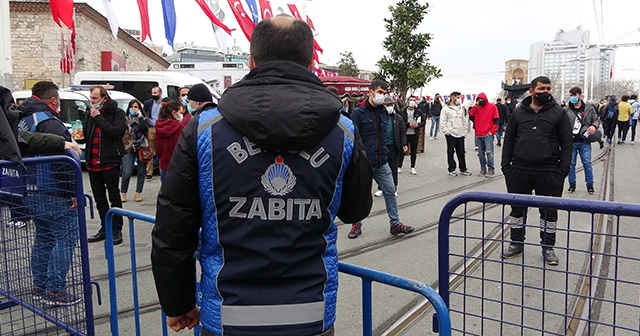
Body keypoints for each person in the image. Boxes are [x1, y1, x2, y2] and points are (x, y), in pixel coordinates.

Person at [151, 15, 373, 336]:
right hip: (309, 316)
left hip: (228, 317)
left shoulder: (204, 130)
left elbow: (174, 228)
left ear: (251, 61)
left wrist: (177, 303)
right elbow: (356, 210)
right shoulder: (342, 130)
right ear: (311, 62)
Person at [16, 81, 82, 305]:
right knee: (65, 237)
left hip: (30, 189)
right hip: (54, 190)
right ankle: (55, 291)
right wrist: (73, 192)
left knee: (43, 237)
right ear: (53, 100)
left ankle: (39, 285)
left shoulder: (23, 120)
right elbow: (62, 163)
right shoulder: (50, 123)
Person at [501, 76, 573, 265]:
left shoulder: (559, 113)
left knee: (549, 213)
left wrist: (562, 171)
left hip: (549, 172)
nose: (546, 92)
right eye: (542, 89)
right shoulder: (518, 113)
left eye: (548, 89)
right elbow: (508, 140)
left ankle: (548, 247)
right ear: (532, 91)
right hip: (519, 170)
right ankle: (516, 243)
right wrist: (506, 167)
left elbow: (567, 143)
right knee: (517, 211)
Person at [348, 80, 415, 239]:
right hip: (364, 163)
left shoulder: (384, 113)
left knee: (390, 191)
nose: (382, 96)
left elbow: (384, 137)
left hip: (381, 162)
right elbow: (352, 138)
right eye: (380, 92)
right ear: (371, 92)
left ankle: (395, 224)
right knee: (360, 195)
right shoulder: (358, 113)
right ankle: (356, 225)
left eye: (385, 93)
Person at [85, 86, 127, 245]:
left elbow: (115, 131)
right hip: (92, 162)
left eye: (95, 98)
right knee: (99, 198)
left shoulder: (117, 112)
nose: (92, 101)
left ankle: (117, 229)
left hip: (110, 162)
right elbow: (86, 132)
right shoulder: (90, 113)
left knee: (114, 197)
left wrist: (98, 118)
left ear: (104, 98)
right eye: (91, 98)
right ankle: (105, 227)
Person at [565, 87, 598, 195]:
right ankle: (572, 184)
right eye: (571, 95)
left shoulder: (589, 108)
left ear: (580, 95)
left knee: (587, 163)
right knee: (571, 164)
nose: (572, 97)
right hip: (571, 141)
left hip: (584, 140)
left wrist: (594, 126)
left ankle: (590, 185)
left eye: (574, 95)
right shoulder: (566, 109)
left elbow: (596, 119)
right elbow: (562, 125)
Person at [374, 94, 408, 197]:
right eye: (386, 105)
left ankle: (393, 188)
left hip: (393, 147)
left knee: (393, 168)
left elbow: (403, 132)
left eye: (390, 104)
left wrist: (404, 144)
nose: (389, 107)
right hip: (381, 147)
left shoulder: (398, 118)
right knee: (381, 169)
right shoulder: (378, 117)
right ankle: (381, 188)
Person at [120, 99, 149, 203]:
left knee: (141, 171)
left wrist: (140, 117)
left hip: (141, 145)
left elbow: (145, 129)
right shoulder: (125, 119)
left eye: (136, 107)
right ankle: (123, 193)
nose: (134, 109)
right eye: (132, 107)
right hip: (129, 146)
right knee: (127, 171)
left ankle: (138, 193)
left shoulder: (143, 118)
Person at [441, 91, 472, 177]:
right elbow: (442, 121)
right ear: (452, 97)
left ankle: (463, 169)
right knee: (451, 151)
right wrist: (447, 132)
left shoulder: (461, 108)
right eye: (457, 97)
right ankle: (451, 169)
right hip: (451, 133)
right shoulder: (445, 108)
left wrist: (465, 131)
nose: (458, 99)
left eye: (459, 97)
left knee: (461, 152)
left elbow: (464, 120)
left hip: (460, 133)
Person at [469, 93, 499, 177]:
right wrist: (474, 106)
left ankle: (491, 169)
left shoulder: (492, 107)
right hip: (479, 134)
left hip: (488, 133)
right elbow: (471, 115)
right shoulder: (477, 108)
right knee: (480, 153)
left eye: (481, 99)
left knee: (489, 152)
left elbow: (496, 120)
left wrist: (492, 132)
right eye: (478, 99)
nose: (480, 101)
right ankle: (483, 168)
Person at [155, 101, 185, 182]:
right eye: (181, 112)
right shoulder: (180, 127)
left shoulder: (158, 126)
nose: (182, 115)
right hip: (178, 166)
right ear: (174, 112)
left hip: (164, 165)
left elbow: (158, 148)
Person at [397, 96, 425, 175]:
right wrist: (408, 124)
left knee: (413, 151)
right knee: (402, 150)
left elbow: (423, 122)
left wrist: (418, 125)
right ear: (408, 101)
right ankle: (399, 166)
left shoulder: (418, 111)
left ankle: (412, 167)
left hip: (414, 134)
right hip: (405, 134)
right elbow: (401, 123)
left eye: (413, 100)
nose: (412, 101)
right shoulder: (403, 112)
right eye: (410, 100)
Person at [143, 86, 164, 180]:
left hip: (161, 128)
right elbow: (144, 113)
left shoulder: (164, 103)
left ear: (160, 93)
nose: (154, 95)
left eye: (155, 93)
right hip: (151, 128)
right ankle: (149, 172)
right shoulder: (148, 103)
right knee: (150, 150)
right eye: (153, 93)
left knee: (161, 149)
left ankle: (161, 169)